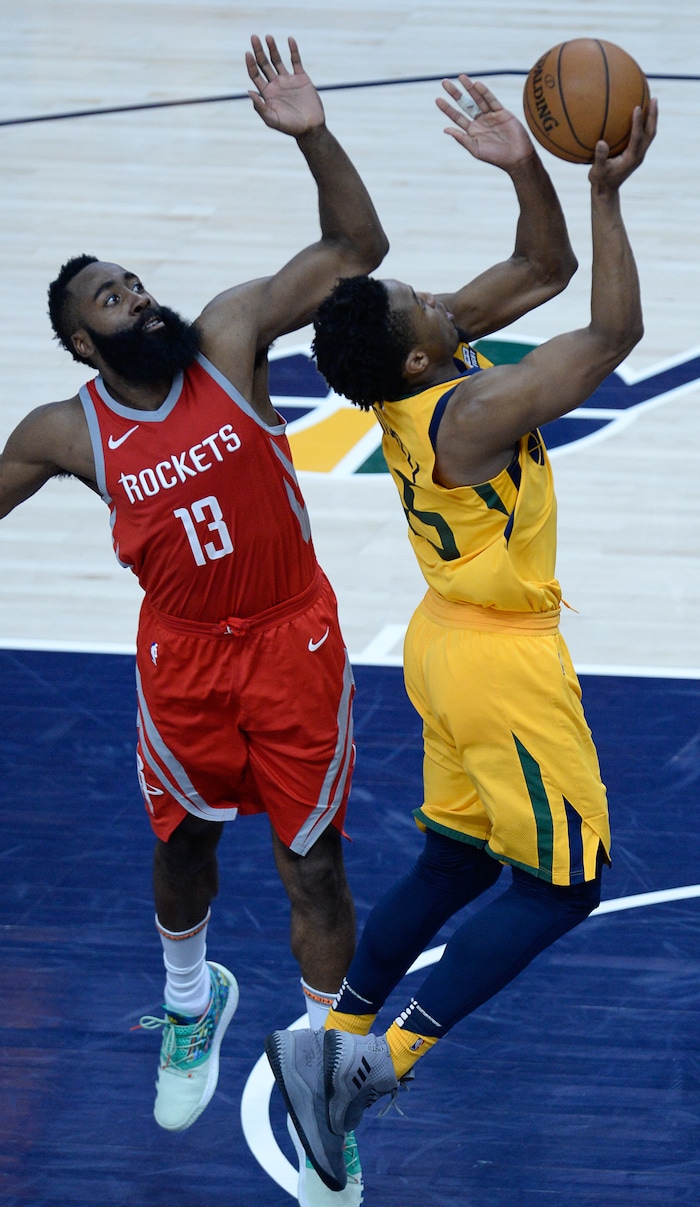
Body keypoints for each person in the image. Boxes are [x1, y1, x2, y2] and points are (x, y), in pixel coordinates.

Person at [0, 34, 389, 1207]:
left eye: (133, 280)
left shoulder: (227, 338)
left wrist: (313, 134)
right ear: (84, 341)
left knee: (314, 864)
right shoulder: (66, 431)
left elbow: (356, 250)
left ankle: (324, 1085)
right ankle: (190, 1000)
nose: (137, 294)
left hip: (290, 638)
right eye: (110, 297)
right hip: (180, 655)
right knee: (184, 844)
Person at [265, 74, 658, 1193]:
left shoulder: (418, 365)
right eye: (427, 305)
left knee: (455, 856)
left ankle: (332, 1033)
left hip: (444, 639)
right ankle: (373, 1069)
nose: (441, 299)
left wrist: (525, 165)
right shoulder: (472, 409)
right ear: (419, 357)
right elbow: (612, 330)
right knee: (564, 884)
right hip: (498, 664)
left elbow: (542, 268)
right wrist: (606, 190)